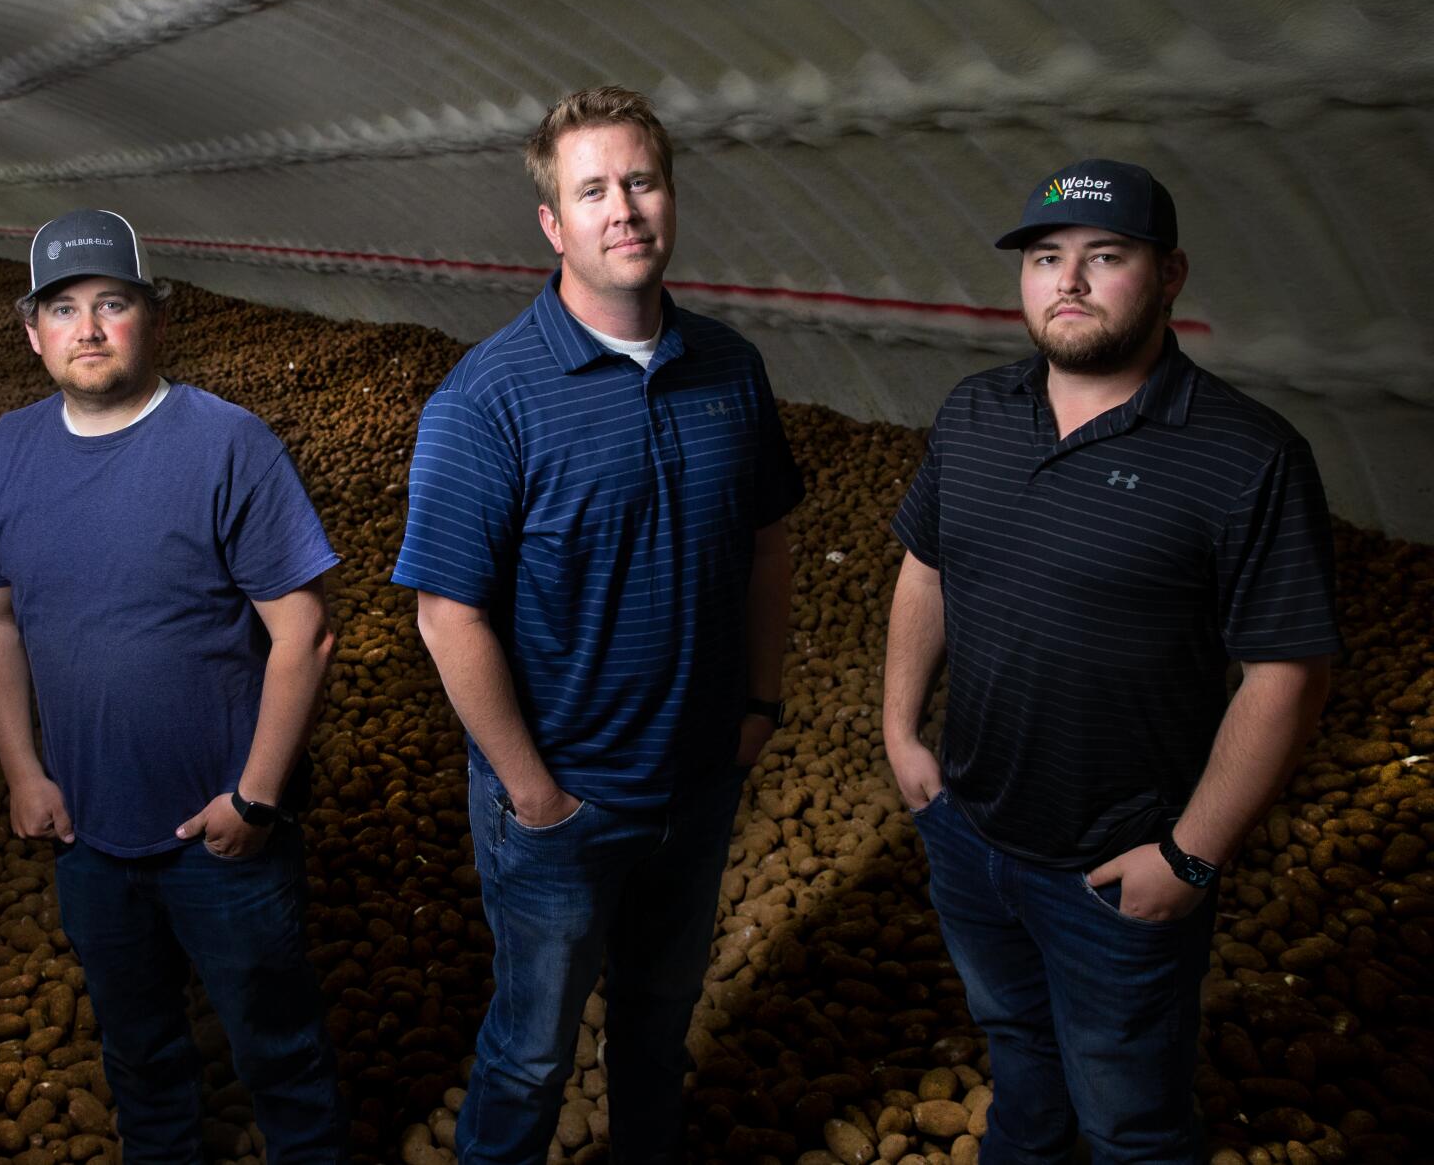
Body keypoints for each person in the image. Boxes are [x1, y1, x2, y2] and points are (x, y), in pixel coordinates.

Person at [882, 160, 1340, 1163]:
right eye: (1046, 258)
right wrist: (900, 733)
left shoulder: (1244, 455)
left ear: (1168, 274)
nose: (1069, 281)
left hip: (1112, 872)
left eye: (1104, 256)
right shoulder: (973, 415)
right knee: (1017, 1047)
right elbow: (925, 564)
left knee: (1128, 1118)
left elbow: (1285, 674)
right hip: (968, 831)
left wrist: (1187, 857)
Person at [392, 86, 805, 1164]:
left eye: (640, 180)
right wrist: (534, 793)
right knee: (529, 1053)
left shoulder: (729, 368)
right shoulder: (486, 400)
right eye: (592, 190)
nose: (622, 208)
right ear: (552, 223)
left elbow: (769, 542)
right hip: (565, 809)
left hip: (698, 782)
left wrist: (758, 705)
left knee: (656, 1027)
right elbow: (447, 614)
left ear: (668, 197)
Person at [0, 208, 347, 1163]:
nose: (87, 328)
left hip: (222, 836)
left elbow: (308, 632)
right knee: (140, 1054)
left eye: (111, 303)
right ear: (31, 330)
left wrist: (257, 795)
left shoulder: (230, 446)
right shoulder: (4, 455)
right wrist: (23, 773)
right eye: (63, 308)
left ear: (153, 318)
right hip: (88, 834)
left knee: (278, 1050)